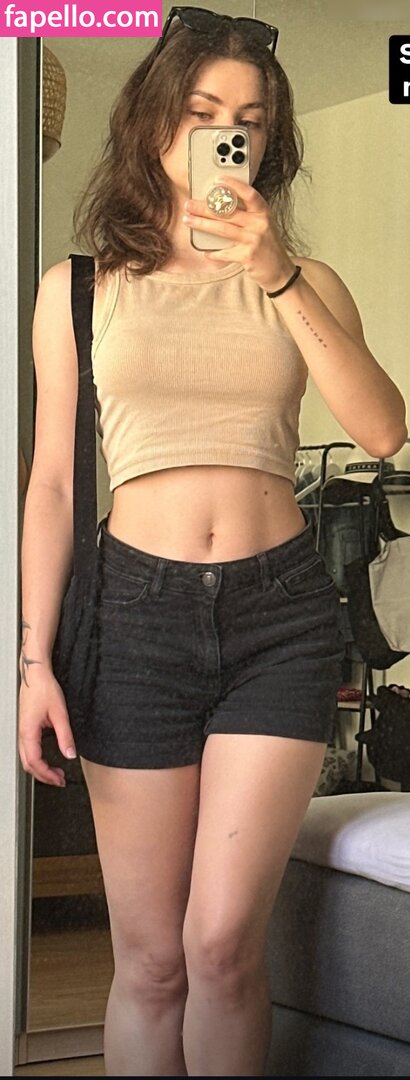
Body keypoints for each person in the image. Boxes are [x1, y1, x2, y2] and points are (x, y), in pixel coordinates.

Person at [18, 8, 407, 1077]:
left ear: (269, 140)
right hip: (131, 619)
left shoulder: (304, 283)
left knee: (224, 945)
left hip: (279, 616)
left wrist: (276, 272)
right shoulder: (79, 289)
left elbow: (383, 431)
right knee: (150, 961)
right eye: (202, 112)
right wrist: (34, 660)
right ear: (154, 123)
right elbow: (52, 485)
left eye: (249, 119)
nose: (226, 135)